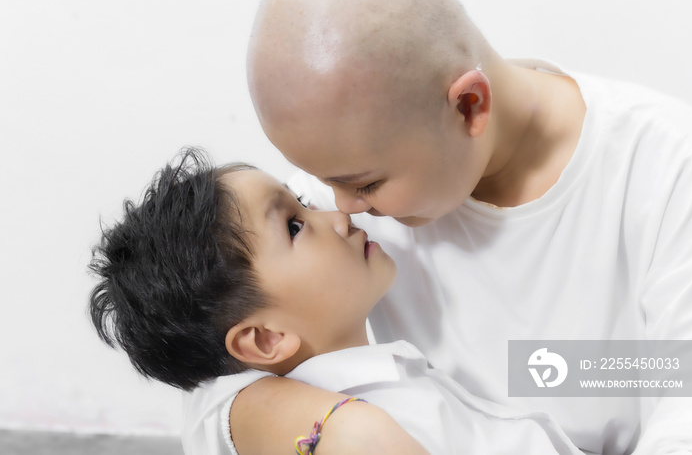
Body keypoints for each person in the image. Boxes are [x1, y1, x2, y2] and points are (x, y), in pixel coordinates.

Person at [244, 0, 692, 453]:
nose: (340, 209)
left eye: (365, 185)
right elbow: (202, 364)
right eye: (323, 182)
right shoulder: (340, 196)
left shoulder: (671, 171)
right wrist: (343, 430)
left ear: (469, 106)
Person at [88, 149, 583, 455]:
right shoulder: (365, 427)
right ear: (265, 338)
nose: (338, 214)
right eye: (296, 225)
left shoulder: (386, 388)